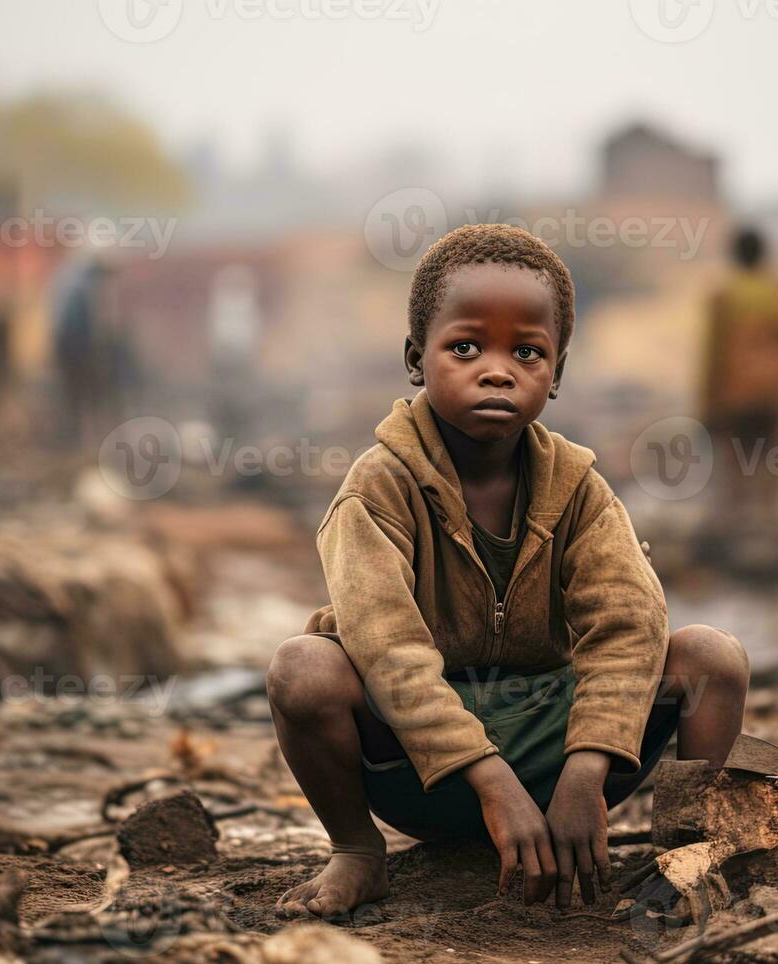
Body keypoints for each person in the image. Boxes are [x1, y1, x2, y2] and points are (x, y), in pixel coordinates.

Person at [267, 224, 750, 918]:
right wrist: (490, 780)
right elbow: (388, 649)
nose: (497, 370)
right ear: (415, 356)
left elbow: (628, 626)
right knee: (302, 668)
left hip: (561, 761)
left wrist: (586, 770)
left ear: (556, 373)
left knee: (712, 658)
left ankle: (686, 854)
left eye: (527, 352)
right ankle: (357, 853)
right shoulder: (378, 488)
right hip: (423, 771)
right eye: (465, 348)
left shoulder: (579, 488)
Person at [698, 228, 778, 523]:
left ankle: (739, 528)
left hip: (734, 394)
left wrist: (706, 404)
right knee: (771, 457)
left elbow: (713, 355)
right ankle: (772, 524)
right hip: (773, 391)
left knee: (735, 460)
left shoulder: (723, 298)